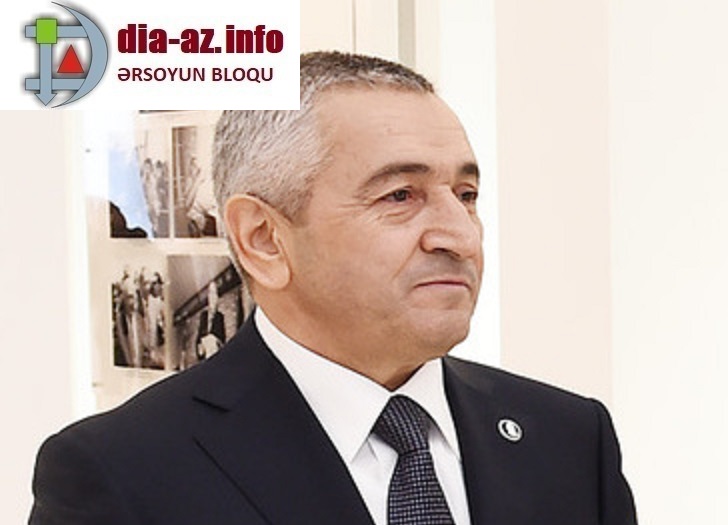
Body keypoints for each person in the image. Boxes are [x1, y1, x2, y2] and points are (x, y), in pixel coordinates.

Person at [28, 51, 637, 525]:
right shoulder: (123, 473)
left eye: (467, 195)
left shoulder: (568, 438)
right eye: (400, 195)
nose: (460, 235)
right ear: (263, 239)